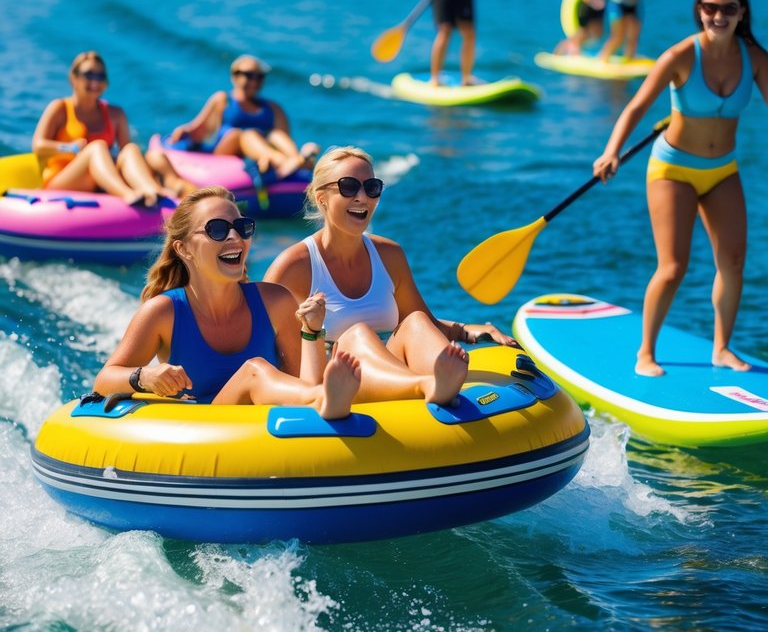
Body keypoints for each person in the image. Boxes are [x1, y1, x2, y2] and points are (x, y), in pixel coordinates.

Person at [593, 0, 768, 376]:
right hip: (673, 168)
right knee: (673, 267)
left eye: (728, 8)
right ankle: (646, 354)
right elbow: (636, 107)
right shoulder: (679, 56)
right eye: (710, 8)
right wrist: (611, 151)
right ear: (699, 11)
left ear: (742, 13)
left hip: (722, 169)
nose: (718, 16)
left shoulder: (754, 58)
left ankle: (722, 348)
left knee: (734, 261)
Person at [264, 144, 517, 405]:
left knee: (416, 321)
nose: (362, 197)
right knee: (357, 334)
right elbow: (261, 337)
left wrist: (466, 331)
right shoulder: (294, 266)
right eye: (349, 187)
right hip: (336, 386)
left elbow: (426, 323)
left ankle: (442, 387)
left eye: (371, 187)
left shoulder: (389, 255)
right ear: (322, 198)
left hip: (391, 371)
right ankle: (427, 385)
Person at [93, 185, 361, 417]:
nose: (235, 237)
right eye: (217, 230)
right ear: (184, 249)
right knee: (254, 371)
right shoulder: (164, 312)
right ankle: (326, 398)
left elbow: (301, 383)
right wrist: (145, 376)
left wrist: (312, 332)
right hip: (203, 435)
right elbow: (104, 380)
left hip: (265, 433)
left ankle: (327, 400)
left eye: (242, 227)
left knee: (266, 375)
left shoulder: (275, 301)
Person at [33, 51, 195, 206]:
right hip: (62, 181)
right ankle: (127, 194)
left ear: (106, 83)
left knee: (130, 149)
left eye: (100, 76)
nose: (95, 81)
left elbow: (126, 157)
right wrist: (70, 147)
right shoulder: (60, 108)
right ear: (73, 78)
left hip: (97, 183)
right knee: (97, 147)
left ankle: (153, 190)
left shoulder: (115, 114)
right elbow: (38, 146)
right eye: (89, 75)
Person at [169, 55, 319, 180]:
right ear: (234, 76)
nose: (254, 81)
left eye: (259, 77)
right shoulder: (223, 100)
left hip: (260, 150)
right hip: (227, 149)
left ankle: (296, 159)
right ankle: (284, 162)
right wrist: (185, 131)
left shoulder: (273, 108)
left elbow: (284, 138)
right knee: (243, 134)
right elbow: (200, 129)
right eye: (248, 75)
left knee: (275, 134)